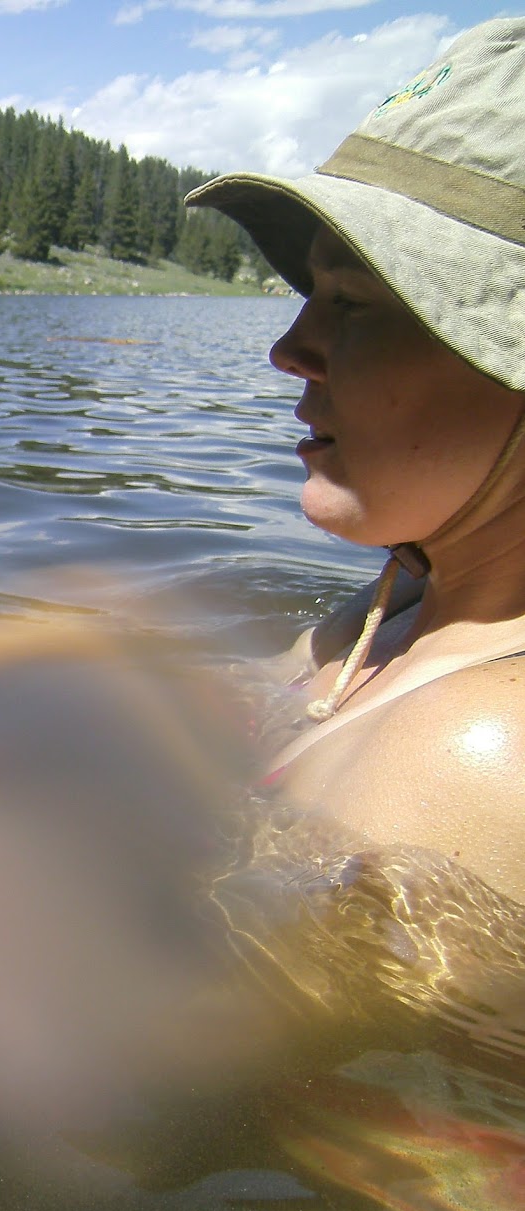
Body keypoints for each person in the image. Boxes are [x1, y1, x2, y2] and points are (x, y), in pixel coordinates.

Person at [187, 17, 525, 902]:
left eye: (356, 302)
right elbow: (231, 692)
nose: (289, 349)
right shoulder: (410, 599)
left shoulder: (479, 751)